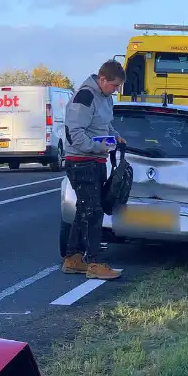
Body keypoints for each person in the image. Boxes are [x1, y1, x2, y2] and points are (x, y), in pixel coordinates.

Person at [61, 60, 126, 280]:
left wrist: (114, 135)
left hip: (95, 160)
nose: (115, 90)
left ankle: (73, 259)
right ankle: (95, 263)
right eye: (114, 85)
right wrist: (96, 147)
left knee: (84, 209)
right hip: (81, 160)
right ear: (102, 79)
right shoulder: (86, 97)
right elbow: (74, 132)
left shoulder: (104, 98)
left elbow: (102, 125)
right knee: (94, 212)